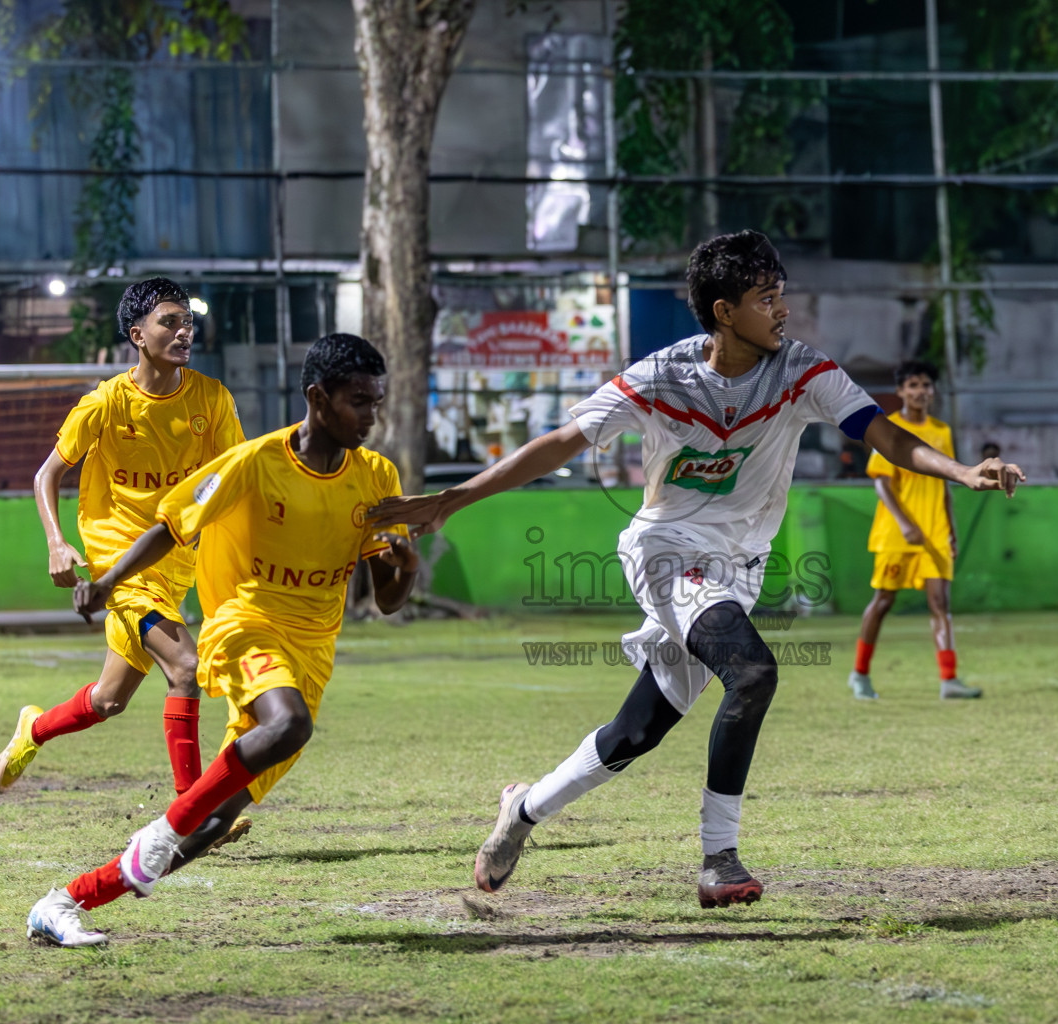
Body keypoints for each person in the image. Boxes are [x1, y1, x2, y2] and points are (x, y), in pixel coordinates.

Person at [369, 230, 1024, 909]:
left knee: (636, 734)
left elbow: (881, 433)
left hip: (737, 569)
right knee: (753, 671)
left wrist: (960, 471)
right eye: (766, 298)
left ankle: (522, 809)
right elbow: (561, 442)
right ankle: (720, 857)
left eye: (781, 295)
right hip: (666, 553)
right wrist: (454, 497)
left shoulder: (802, 371)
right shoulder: (661, 378)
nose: (782, 310)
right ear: (723, 311)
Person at [24, 333, 418, 947]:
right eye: (359, 402)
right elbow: (170, 525)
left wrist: (407, 567)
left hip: (312, 651)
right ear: (318, 398)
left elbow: (388, 601)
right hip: (245, 623)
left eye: (376, 401)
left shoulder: (376, 476)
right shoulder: (254, 462)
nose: (372, 416)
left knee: (211, 823)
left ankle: (65, 900)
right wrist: (105, 581)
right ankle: (158, 831)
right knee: (287, 725)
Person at [0, 278, 245, 798]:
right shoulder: (105, 403)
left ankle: (31, 731)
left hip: (175, 566)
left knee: (108, 700)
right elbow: (46, 475)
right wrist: (56, 544)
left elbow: (232, 481)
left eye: (187, 322)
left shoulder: (212, 399)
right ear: (137, 333)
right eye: (168, 322)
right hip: (118, 567)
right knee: (185, 666)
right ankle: (190, 812)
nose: (182, 332)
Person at [847, 360, 979, 701]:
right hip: (897, 532)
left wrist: (950, 529)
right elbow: (882, 484)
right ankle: (859, 673)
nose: (921, 391)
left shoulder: (942, 431)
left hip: (934, 531)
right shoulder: (888, 428)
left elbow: (947, 483)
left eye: (926, 385)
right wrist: (905, 524)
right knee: (884, 601)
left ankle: (949, 680)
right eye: (914, 385)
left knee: (940, 603)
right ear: (901, 391)